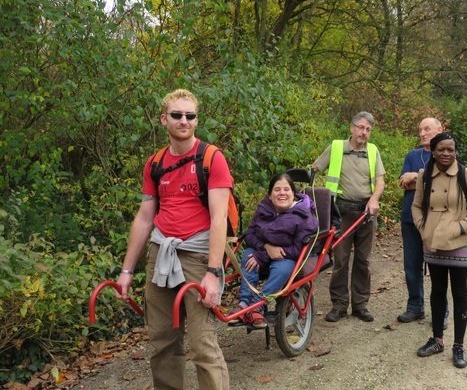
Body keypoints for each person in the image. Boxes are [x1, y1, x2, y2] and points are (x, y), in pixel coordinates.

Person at [116, 89, 231, 390]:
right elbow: (144, 218)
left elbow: (219, 219)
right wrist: (127, 272)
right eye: (177, 115)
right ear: (163, 119)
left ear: (196, 120)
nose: (184, 121)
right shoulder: (154, 163)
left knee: (202, 344)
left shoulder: (211, 158)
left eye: (190, 116)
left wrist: (213, 272)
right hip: (161, 253)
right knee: (163, 342)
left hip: (198, 254)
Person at [411, 132, 467, 369]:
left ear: (455, 151)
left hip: (458, 243)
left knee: (459, 293)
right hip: (433, 242)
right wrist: (422, 226)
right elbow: (416, 206)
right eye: (441, 149)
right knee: (437, 291)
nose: (446, 154)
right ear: (433, 151)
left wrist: (461, 227)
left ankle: (459, 345)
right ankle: (437, 340)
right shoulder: (424, 176)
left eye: (451, 150)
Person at [312, 111, 386, 323]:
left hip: (366, 214)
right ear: (352, 128)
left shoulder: (373, 151)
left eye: (368, 130)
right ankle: (339, 305)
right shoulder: (336, 148)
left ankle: (360, 305)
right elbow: (314, 169)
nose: (364, 132)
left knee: (363, 260)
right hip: (340, 213)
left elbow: (380, 182)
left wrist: (374, 199)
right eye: (361, 127)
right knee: (341, 260)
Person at [229, 173, 319, 328]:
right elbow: (250, 234)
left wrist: (265, 254)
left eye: (286, 189)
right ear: (270, 195)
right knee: (247, 256)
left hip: (289, 255)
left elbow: (298, 249)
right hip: (264, 251)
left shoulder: (303, 216)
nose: (282, 193)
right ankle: (244, 303)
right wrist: (265, 248)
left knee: (282, 269)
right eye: (277, 189)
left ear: (293, 193)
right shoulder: (264, 208)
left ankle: (257, 306)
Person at [397, 117, 449, 325]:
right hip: (410, 219)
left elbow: (444, 183)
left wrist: (416, 177)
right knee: (412, 265)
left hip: (437, 221)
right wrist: (425, 180)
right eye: (420, 129)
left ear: (439, 130)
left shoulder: (447, 155)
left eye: (426, 129)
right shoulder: (412, 155)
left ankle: (441, 311)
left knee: (438, 266)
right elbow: (403, 183)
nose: (422, 133)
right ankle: (415, 306)